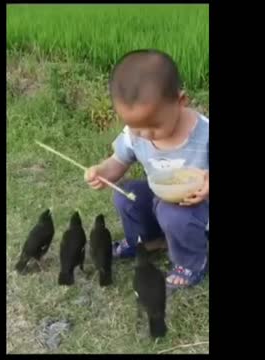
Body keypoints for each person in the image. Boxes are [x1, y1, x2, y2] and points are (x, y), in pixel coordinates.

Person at [84, 49, 209, 289]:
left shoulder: (204, 134)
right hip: (161, 198)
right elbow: (118, 162)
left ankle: (191, 262)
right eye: (134, 126)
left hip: (197, 208)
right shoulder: (135, 134)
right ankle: (148, 240)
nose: (144, 134)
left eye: (153, 126)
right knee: (125, 194)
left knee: (172, 213)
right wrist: (101, 171)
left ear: (181, 101)